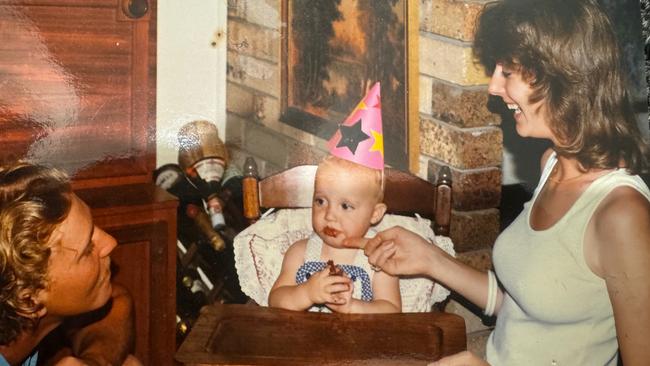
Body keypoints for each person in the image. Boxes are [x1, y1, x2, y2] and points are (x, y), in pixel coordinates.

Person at [345, 0, 650, 364]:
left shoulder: (621, 214)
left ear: (562, 76)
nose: (493, 87)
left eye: (508, 72)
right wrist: (431, 259)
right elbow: (521, 308)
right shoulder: (552, 163)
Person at [0, 162, 141, 366]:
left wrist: (95, 360)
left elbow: (118, 300)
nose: (111, 242)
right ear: (29, 301)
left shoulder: (29, 307)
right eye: (87, 249)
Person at [268, 156, 401, 313]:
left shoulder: (379, 258)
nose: (329, 215)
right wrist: (307, 293)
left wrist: (352, 307)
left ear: (375, 214)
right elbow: (275, 300)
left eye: (345, 205)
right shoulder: (300, 252)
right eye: (321, 201)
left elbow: (391, 310)